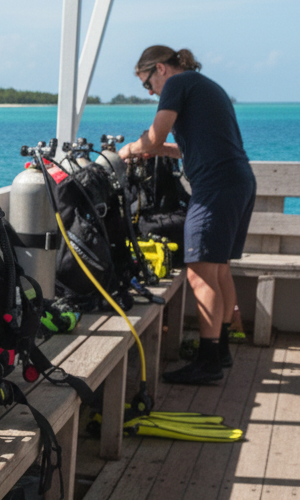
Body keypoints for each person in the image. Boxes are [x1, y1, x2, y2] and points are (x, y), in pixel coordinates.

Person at [118, 45, 256, 385]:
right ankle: (219, 351)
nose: (150, 93)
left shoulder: (178, 85)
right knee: (218, 268)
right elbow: (187, 145)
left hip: (216, 188)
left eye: (147, 84)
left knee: (199, 273)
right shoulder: (203, 85)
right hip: (238, 181)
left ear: (161, 69)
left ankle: (208, 363)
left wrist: (129, 150)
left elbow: (154, 137)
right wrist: (157, 149)